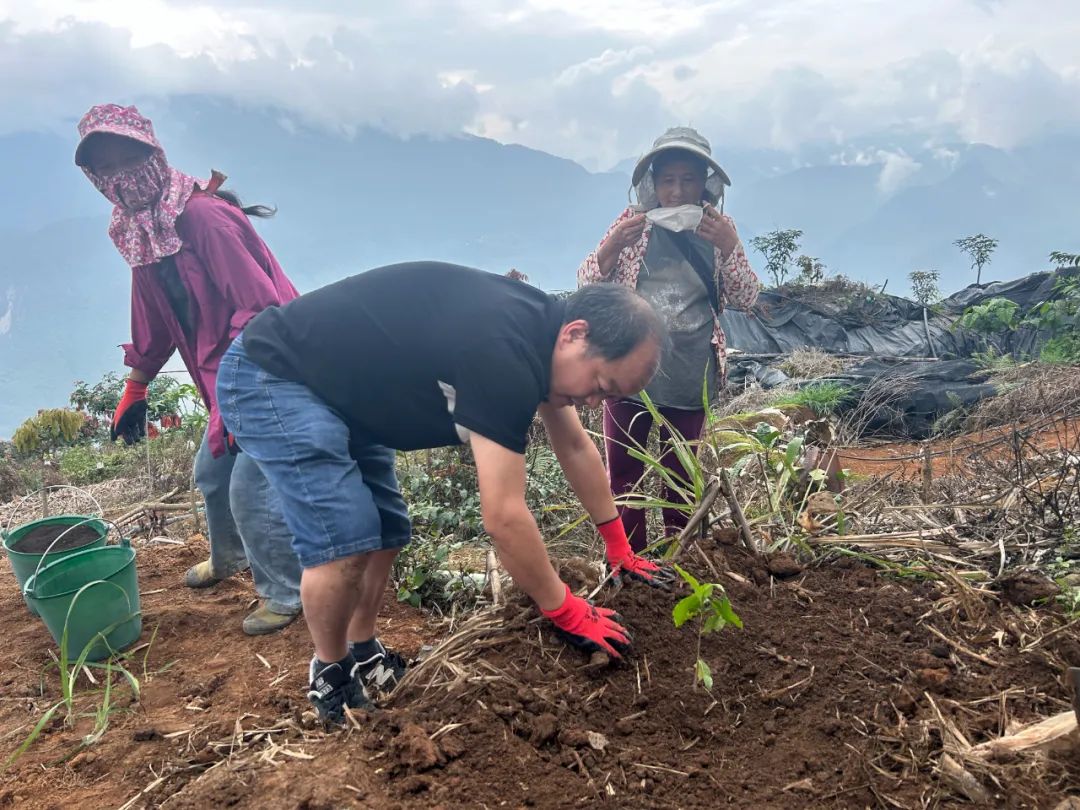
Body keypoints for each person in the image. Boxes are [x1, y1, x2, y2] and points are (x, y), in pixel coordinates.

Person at [217, 262, 675, 723]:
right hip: (273, 376)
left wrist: (620, 548)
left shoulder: (541, 333)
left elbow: (575, 446)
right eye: (599, 385)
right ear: (576, 334)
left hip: (345, 395)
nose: (595, 402)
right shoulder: (502, 352)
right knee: (345, 536)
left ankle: (363, 651)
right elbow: (504, 517)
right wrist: (565, 609)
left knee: (388, 531)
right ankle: (330, 674)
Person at [75, 103, 303, 634]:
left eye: (126, 159)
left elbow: (261, 313)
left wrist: (236, 401)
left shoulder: (202, 217)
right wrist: (134, 387)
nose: (119, 177)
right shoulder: (138, 229)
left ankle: (285, 594)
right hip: (222, 382)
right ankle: (230, 560)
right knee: (211, 472)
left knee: (252, 484)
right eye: (104, 168)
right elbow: (152, 319)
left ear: (151, 154)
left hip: (269, 369)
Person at [578, 126, 760, 552]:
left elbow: (747, 297)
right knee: (625, 475)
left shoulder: (718, 230)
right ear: (653, 184)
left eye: (688, 180)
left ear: (704, 184)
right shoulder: (631, 225)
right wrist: (610, 249)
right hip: (626, 373)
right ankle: (630, 563)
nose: (676, 191)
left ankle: (682, 561)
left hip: (688, 372)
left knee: (681, 475)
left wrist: (731, 248)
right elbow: (587, 285)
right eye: (668, 180)